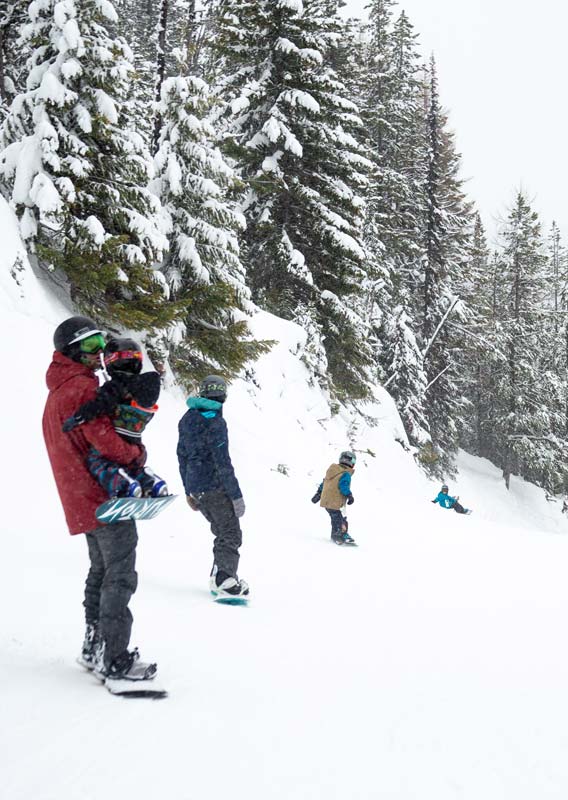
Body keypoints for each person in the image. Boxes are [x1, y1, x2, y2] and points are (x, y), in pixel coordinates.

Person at [42, 316, 157, 684]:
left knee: (100, 572)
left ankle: (95, 646)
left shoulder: (57, 391)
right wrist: (137, 457)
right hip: (104, 497)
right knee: (119, 576)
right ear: (72, 351)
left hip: (80, 498)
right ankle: (115, 657)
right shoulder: (82, 389)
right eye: (90, 347)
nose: (99, 354)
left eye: (100, 345)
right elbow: (106, 442)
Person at [63, 336, 168, 499]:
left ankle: (124, 486)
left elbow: (100, 404)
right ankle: (151, 482)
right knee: (133, 468)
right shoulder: (146, 386)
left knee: (97, 463)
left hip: (116, 435)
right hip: (134, 440)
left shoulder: (116, 386)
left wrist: (78, 417)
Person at [177, 375, 249, 599]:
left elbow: (182, 456)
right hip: (213, 486)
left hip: (198, 486)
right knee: (230, 531)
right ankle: (223, 579)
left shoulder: (188, 418)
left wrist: (188, 489)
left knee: (222, 530)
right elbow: (222, 461)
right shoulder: (216, 422)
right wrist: (236, 495)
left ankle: (222, 575)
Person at [313, 451, 357, 545]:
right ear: (351, 462)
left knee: (335, 518)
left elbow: (325, 483)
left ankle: (335, 534)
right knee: (341, 519)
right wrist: (349, 495)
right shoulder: (346, 473)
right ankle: (343, 535)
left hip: (326, 502)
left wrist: (318, 494)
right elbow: (344, 485)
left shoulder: (332, 470)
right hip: (335, 502)